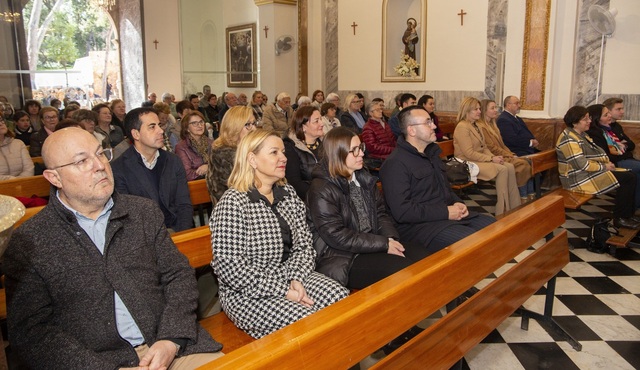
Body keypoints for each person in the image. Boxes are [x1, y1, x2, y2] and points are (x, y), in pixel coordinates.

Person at [4, 127, 223, 370]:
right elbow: (31, 331)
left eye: (100, 154)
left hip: (172, 346)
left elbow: (178, 275)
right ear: (54, 178)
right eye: (82, 161)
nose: (99, 165)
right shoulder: (31, 241)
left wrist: (171, 339)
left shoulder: (142, 212)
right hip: (95, 362)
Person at [209, 129, 349, 339]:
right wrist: (283, 291)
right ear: (252, 159)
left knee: (339, 298)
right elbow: (231, 269)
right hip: (247, 292)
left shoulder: (288, 194)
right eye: (274, 153)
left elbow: (304, 245)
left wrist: (296, 279)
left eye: (283, 152)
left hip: (290, 276)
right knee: (305, 320)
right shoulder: (233, 203)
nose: (284, 158)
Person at [308, 126, 430, 288]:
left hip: (372, 242)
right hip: (343, 256)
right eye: (355, 150)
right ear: (338, 154)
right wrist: (383, 244)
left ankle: (450, 303)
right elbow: (337, 235)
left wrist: (390, 239)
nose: (362, 154)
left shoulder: (363, 176)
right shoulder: (322, 188)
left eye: (361, 147)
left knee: (425, 258)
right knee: (402, 270)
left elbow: (380, 213)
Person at [379, 106, 496, 253]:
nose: (434, 126)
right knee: (472, 242)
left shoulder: (432, 154)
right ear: (411, 130)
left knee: (495, 227)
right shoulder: (395, 164)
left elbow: (445, 189)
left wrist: (457, 202)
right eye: (428, 122)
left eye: (432, 121)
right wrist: (446, 212)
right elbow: (402, 212)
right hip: (419, 227)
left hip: (443, 217)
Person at [111, 107, 194, 232]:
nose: (161, 131)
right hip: (145, 238)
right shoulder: (119, 169)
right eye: (152, 127)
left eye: (159, 125)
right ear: (136, 134)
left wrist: (182, 235)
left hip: (177, 230)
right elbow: (128, 217)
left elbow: (184, 204)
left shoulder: (173, 161)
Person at [558, 106, 640, 231]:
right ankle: (620, 218)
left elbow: (594, 154)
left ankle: (626, 215)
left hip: (585, 173)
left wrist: (606, 164)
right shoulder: (568, 138)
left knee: (630, 176)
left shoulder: (581, 134)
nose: (589, 121)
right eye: (585, 119)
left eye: (589, 118)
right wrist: (604, 166)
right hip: (576, 179)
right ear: (575, 122)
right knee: (627, 178)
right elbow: (582, 164)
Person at [454, 97, 521, 215]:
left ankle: (515, 206)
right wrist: (491, 159)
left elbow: (484, 147)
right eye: (476, 109)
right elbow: (468, 153)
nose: (479, 111)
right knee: (502, 169)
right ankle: (503, 210)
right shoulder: (462, 127)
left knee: (509, 166)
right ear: (467, 111)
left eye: (479, 108)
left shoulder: (476, 125)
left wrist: (494, 158)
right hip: (466, 163)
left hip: (478, 160)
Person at [478, 99, 534, 202]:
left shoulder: (493, 125)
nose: (496, 110)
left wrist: (511, 154)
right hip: (493, 156)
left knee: (527, 162)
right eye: (492, 108)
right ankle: (522, 197)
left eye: (496, 108)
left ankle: (530, 194)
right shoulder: (482, 127)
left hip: (502, 153)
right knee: (522, 165)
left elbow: (502, 145)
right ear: (484, 110)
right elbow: (491, 147)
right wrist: (509, 155)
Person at [587, 103, 640, 209]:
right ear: (597, 119)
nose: (610, 116)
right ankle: (634, 206)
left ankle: (634, 205)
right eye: (606, 115)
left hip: (622, 158)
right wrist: (620, 150)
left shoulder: (610, 129)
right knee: (635, 171)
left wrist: (622, 147)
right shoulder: (595, 133)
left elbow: (630, 145)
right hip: (612, 163)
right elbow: (606, 155)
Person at [206, 106, 256, 204]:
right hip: (233, 208)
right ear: (235, 127)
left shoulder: (248, 146)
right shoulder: (223, 152)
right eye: (248, 125)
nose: (254, 128)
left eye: (254, 123)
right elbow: (242, 187)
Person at [284, 106, 324, 198]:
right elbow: (294, 183)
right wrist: (320, 194)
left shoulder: (325, 143)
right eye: (316, 121)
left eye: (321, 119)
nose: (322, 124)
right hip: (306, 198)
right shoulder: (291, 147)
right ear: (303, 127)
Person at [174, 111, 212, 181]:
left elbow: (220, 166)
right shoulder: (181, 147)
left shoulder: (211, 143)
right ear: (187, 128)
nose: (200, 125)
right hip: (195, 186)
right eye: (194, 123)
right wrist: (205, 170)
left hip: (213, 183)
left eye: (201, 122)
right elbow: (187, 174)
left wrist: (208, 167)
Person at [361, 101, 396, 168]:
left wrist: (398, 148)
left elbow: (392, 139)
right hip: (377, 157)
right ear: (370, 113)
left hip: (389, 153)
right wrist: (393, 150)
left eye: (381, 109)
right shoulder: (368, 127)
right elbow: (373, 147)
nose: (380, 111)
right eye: (377, 110)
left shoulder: (384, 123)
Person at [0, 115, 33, 180]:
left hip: (24, 184)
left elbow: (29, 168)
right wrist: (13, 181)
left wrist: (19, 182)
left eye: (1, 120)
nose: (0, 124)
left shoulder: (18, 143)